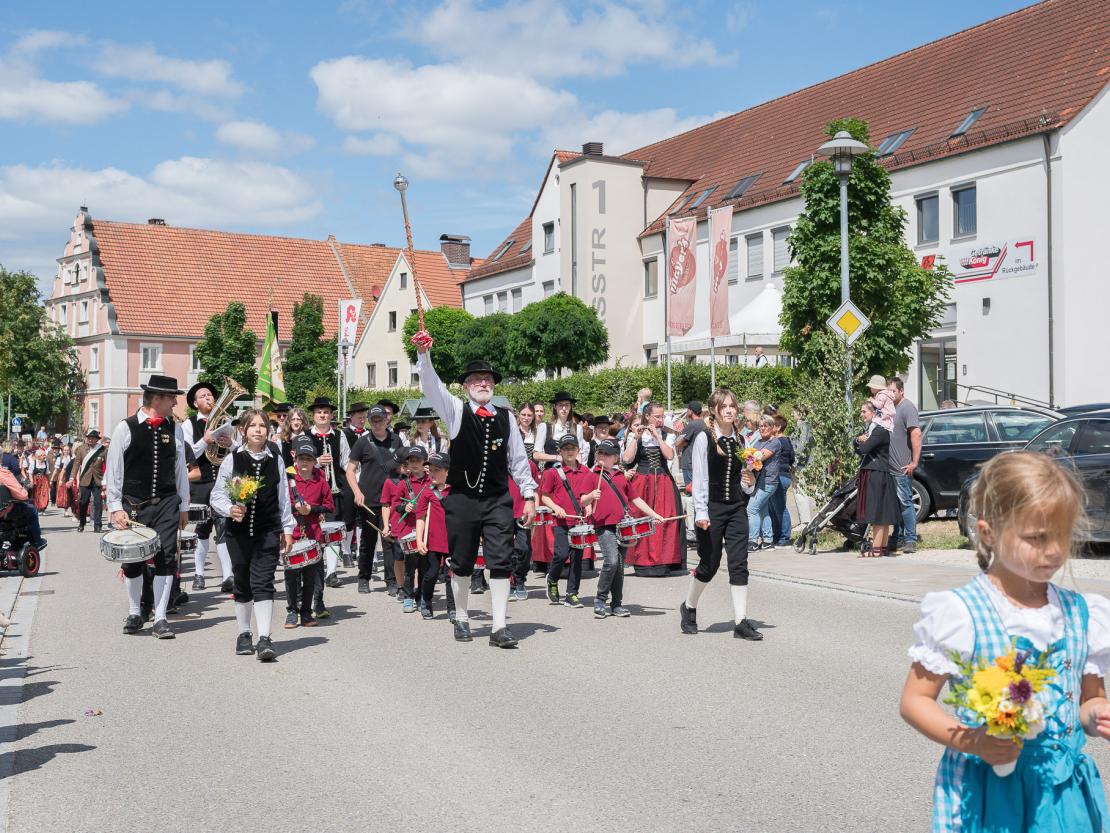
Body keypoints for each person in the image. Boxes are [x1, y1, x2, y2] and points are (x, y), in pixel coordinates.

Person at [900, 452, 1110, 831]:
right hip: (991, 791)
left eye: (1062, 536)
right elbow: (915, 701)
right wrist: (973, 741)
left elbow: (1088, 699)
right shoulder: (961, 613)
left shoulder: (1082, 614)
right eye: (1036, 538)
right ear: (988, 532)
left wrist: (1096, 716)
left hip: (1062, 795)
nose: (1054, 551)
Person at [415, 333, 537, 648]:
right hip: (462, 500)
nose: (483, 384)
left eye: (487, 380)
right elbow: (432, 387)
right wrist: (424, 354)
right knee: (463, 562)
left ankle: (498, 627)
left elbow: (519, 461)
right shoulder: (456, 411)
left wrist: (529, 496)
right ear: (467, 386)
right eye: (477, 380)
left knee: (500, 560)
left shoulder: (506, 419)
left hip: (497, 499)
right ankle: (463, 616)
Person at [104, 375, 191, 639]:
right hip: (133, 504)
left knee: (165, 557)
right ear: (156, 399)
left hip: (166, 502)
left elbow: (180, 471)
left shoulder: (174, 428)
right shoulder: (125, 428)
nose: (175, 403)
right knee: (133, 559)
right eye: (171, 398)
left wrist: (184, 505)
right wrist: (115, 506)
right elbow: (115, 471)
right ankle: (134, 611)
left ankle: (161, 617)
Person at [210, 409, 294, 660]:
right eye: (253, 425)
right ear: (243, 431)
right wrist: (230, 509)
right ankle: (244, 633)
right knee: (242, 582)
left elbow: (283, 498)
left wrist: (287, 529)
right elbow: (217, 495)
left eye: (262, 425)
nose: (258, 429)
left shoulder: (275, 459)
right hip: (238, 533)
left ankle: (265, 638)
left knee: (263, 582)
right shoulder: (233, 458)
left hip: (267, 529)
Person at [680, 388, 760, 639]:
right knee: (709, 564)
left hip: (736, 507)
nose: (729, 410)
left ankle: (740, 621)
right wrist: (701, 513)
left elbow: (746, 482)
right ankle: (689, 606)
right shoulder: (705, 437)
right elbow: (700, 478)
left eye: (732, 406)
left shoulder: (741, 440)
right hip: (711, 508)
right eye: (724, 406)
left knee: (739, 563)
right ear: (714, 410)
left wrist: (750, 481)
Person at [580, 438, 663, 619]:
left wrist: (653, 514)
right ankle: (600, 599)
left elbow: (636, 499)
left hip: (623, 525)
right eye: (600, 452)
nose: (602, 456)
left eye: (606, 454)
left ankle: (616, 604)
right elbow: (582, 500)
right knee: (611, 561)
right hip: (603, 525)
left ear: (615, 458)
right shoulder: (592, 475)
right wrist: (591, 496)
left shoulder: (620, 477)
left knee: (618, 567)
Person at [347, 404, 404, 595]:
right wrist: (357, 492)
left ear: (387, 420)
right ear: (369, 421)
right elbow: (350, 470)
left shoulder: (396, 440)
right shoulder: (362, 442)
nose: (377, 423)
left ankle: (391, 581)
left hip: (391, 499)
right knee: (367, 541)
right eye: (373, 420)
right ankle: (363, 578)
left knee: (389, 541)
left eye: (380, 420)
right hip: (369, 499)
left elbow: (402, 468)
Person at [622, 402, 684, 576]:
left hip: (663, 480)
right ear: (647, 416)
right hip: (642, 482)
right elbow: (627, 459)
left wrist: (657, 436)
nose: (661, 419)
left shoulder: (666, 433)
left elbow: (670, 455)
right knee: (641, 518)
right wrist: (636, 437)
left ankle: (663, 562)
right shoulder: (635, 433)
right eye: (657, 416)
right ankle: (642, 562)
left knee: (664, 520)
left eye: (662, 416)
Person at [182, 380, 233, 591]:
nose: (208, 398)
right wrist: (206, 441)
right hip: (201, 483)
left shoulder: (226, 420)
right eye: (202, 396)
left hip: (221, 480)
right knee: (202, 529)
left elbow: (236, 450)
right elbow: (188, 454)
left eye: (210, 395)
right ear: (195, 403)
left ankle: (228, 576)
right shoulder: (188, 424)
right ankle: (199, 574)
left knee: (223, 527)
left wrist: (229, 443)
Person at [540, 434, 594, 608]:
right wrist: (556, 508)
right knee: (561, 554)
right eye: (565, 449)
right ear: (560, 451)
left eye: (572, 448)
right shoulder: (552, 472)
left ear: (578, 450)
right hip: (561, 521)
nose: (569, 452)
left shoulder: (586, 471)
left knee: (577, 558)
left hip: (578, 522)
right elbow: (545, 497)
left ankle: (572, 593)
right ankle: (553, 579)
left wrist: (589, 506)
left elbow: (588, 496)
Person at [307, 397, 350, 611]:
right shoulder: (306, 436)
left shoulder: (339, 435)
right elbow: (300, 462)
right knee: (314, 531)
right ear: (313, 416)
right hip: (313, 489)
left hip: (335, 489)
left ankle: (331, 572)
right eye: (319, 412)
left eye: (326, 412)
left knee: (333, 531)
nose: (323, 415)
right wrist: (316, 462)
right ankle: (315, 569)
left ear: (331, 416)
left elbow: (346, 460)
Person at [285, 435, 331, 629]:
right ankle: (292, 611)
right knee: (292, 574)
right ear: (295, 460)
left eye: (308, 459)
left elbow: (329, 506)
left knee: (310, 575)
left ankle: (306, 611)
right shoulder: (288, 480)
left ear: (314, 462)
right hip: (292, 532)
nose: (304, 462)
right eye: (301, 459)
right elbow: (280, 505)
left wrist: (312, 509)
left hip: (312, 533)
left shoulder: (320, 481)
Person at [387, 445, 435, 614]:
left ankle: (421, 596)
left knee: (424, 567)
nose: (414, 464)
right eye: (411, 461)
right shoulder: (403, 483)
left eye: (418, 460)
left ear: (424, 463)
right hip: (408, 530)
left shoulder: (431, 482)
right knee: (410, 567)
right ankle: (408, 597)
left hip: (427, 530)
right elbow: (395, 505)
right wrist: (403, 507)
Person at [853, 401, 900, 557]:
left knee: (877, 512)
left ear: (874, 413)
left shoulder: (879, 431)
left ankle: (876, 549)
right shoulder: (876, 429)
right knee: (882, 512)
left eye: (864, 412)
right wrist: (860, 440)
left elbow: (863, 450)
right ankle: (883, 548)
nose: (862, 415)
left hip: (876, 473)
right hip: (877, 472)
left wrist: (858, 440)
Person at [414, 451, 455, 620]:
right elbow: (420, 518)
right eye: (430, 469)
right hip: (432, 541)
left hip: (452, 541)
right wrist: (419, 539)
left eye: (437, 470)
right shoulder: (426, 492)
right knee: (430, 574)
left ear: (447, 471)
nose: (432, 473)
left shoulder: (456, 491)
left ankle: (453, 608)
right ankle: (426, 600)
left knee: (450, 576)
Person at [888, 378, 922, 554]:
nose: (890, 393)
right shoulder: (891, 409)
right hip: (891, 468)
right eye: (889, 391)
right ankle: (897, 537)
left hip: (902, 467)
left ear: (901, 391)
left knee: (905, 503)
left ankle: (910, 539)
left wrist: (914, 462)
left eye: (893, 390)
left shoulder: (907, 407)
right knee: (896, 504)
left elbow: (916, 434)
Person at [339, 401, 370, 567]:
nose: (362, 420)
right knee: (349, 518)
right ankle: (346, 551)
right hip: (350, 478)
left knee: (362, 518)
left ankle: (361, 551)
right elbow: (343, 458)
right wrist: (352, 469)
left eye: (364, 417)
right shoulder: (344, 434)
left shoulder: (368, 434)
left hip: (365, 479)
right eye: (359, 417)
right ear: (351, 417)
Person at [746, 415, 781, 552]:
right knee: (762, 510)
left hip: (769, 482)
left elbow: (759, 457)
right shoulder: (758, 442)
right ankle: (768, 541)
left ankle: (753, 541)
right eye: (760, 426)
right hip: (759, 481)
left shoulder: (775, 442)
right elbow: (751, 458)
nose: (763, 428)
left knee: (751, 509)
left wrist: (749, 457)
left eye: (766, 425)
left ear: (772, 428)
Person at [72, 429, 107, 533]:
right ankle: (82, 523)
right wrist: (71, 478)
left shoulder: (103, 449)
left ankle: (97, 525)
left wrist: (106, 481)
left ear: (97, 439)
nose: (90, 440)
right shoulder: (81, 449)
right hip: (85, 479)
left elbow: (109, 465)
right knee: (83, 502)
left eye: (93, 438)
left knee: (98, 503)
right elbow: (76, 464)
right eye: (89, 438)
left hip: (98, 479)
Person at [768, 414, 794, 547]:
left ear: (777, 427)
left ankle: (784, 537)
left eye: (771, 425)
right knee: (776, 507)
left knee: (780, 508)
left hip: (779, 476)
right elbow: (792, 459)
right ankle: (778, 536)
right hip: (785, 475)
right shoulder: (787, 440)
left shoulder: (779, 442)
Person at [674, 400, 705, 488]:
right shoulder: (703, 423)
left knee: (690, 491)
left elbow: (677, 443)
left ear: (691, 411)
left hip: (689, 462)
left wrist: (680, 435)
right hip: (698, 462)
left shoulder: (692, 425)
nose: (687, 412)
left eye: (688, 410)